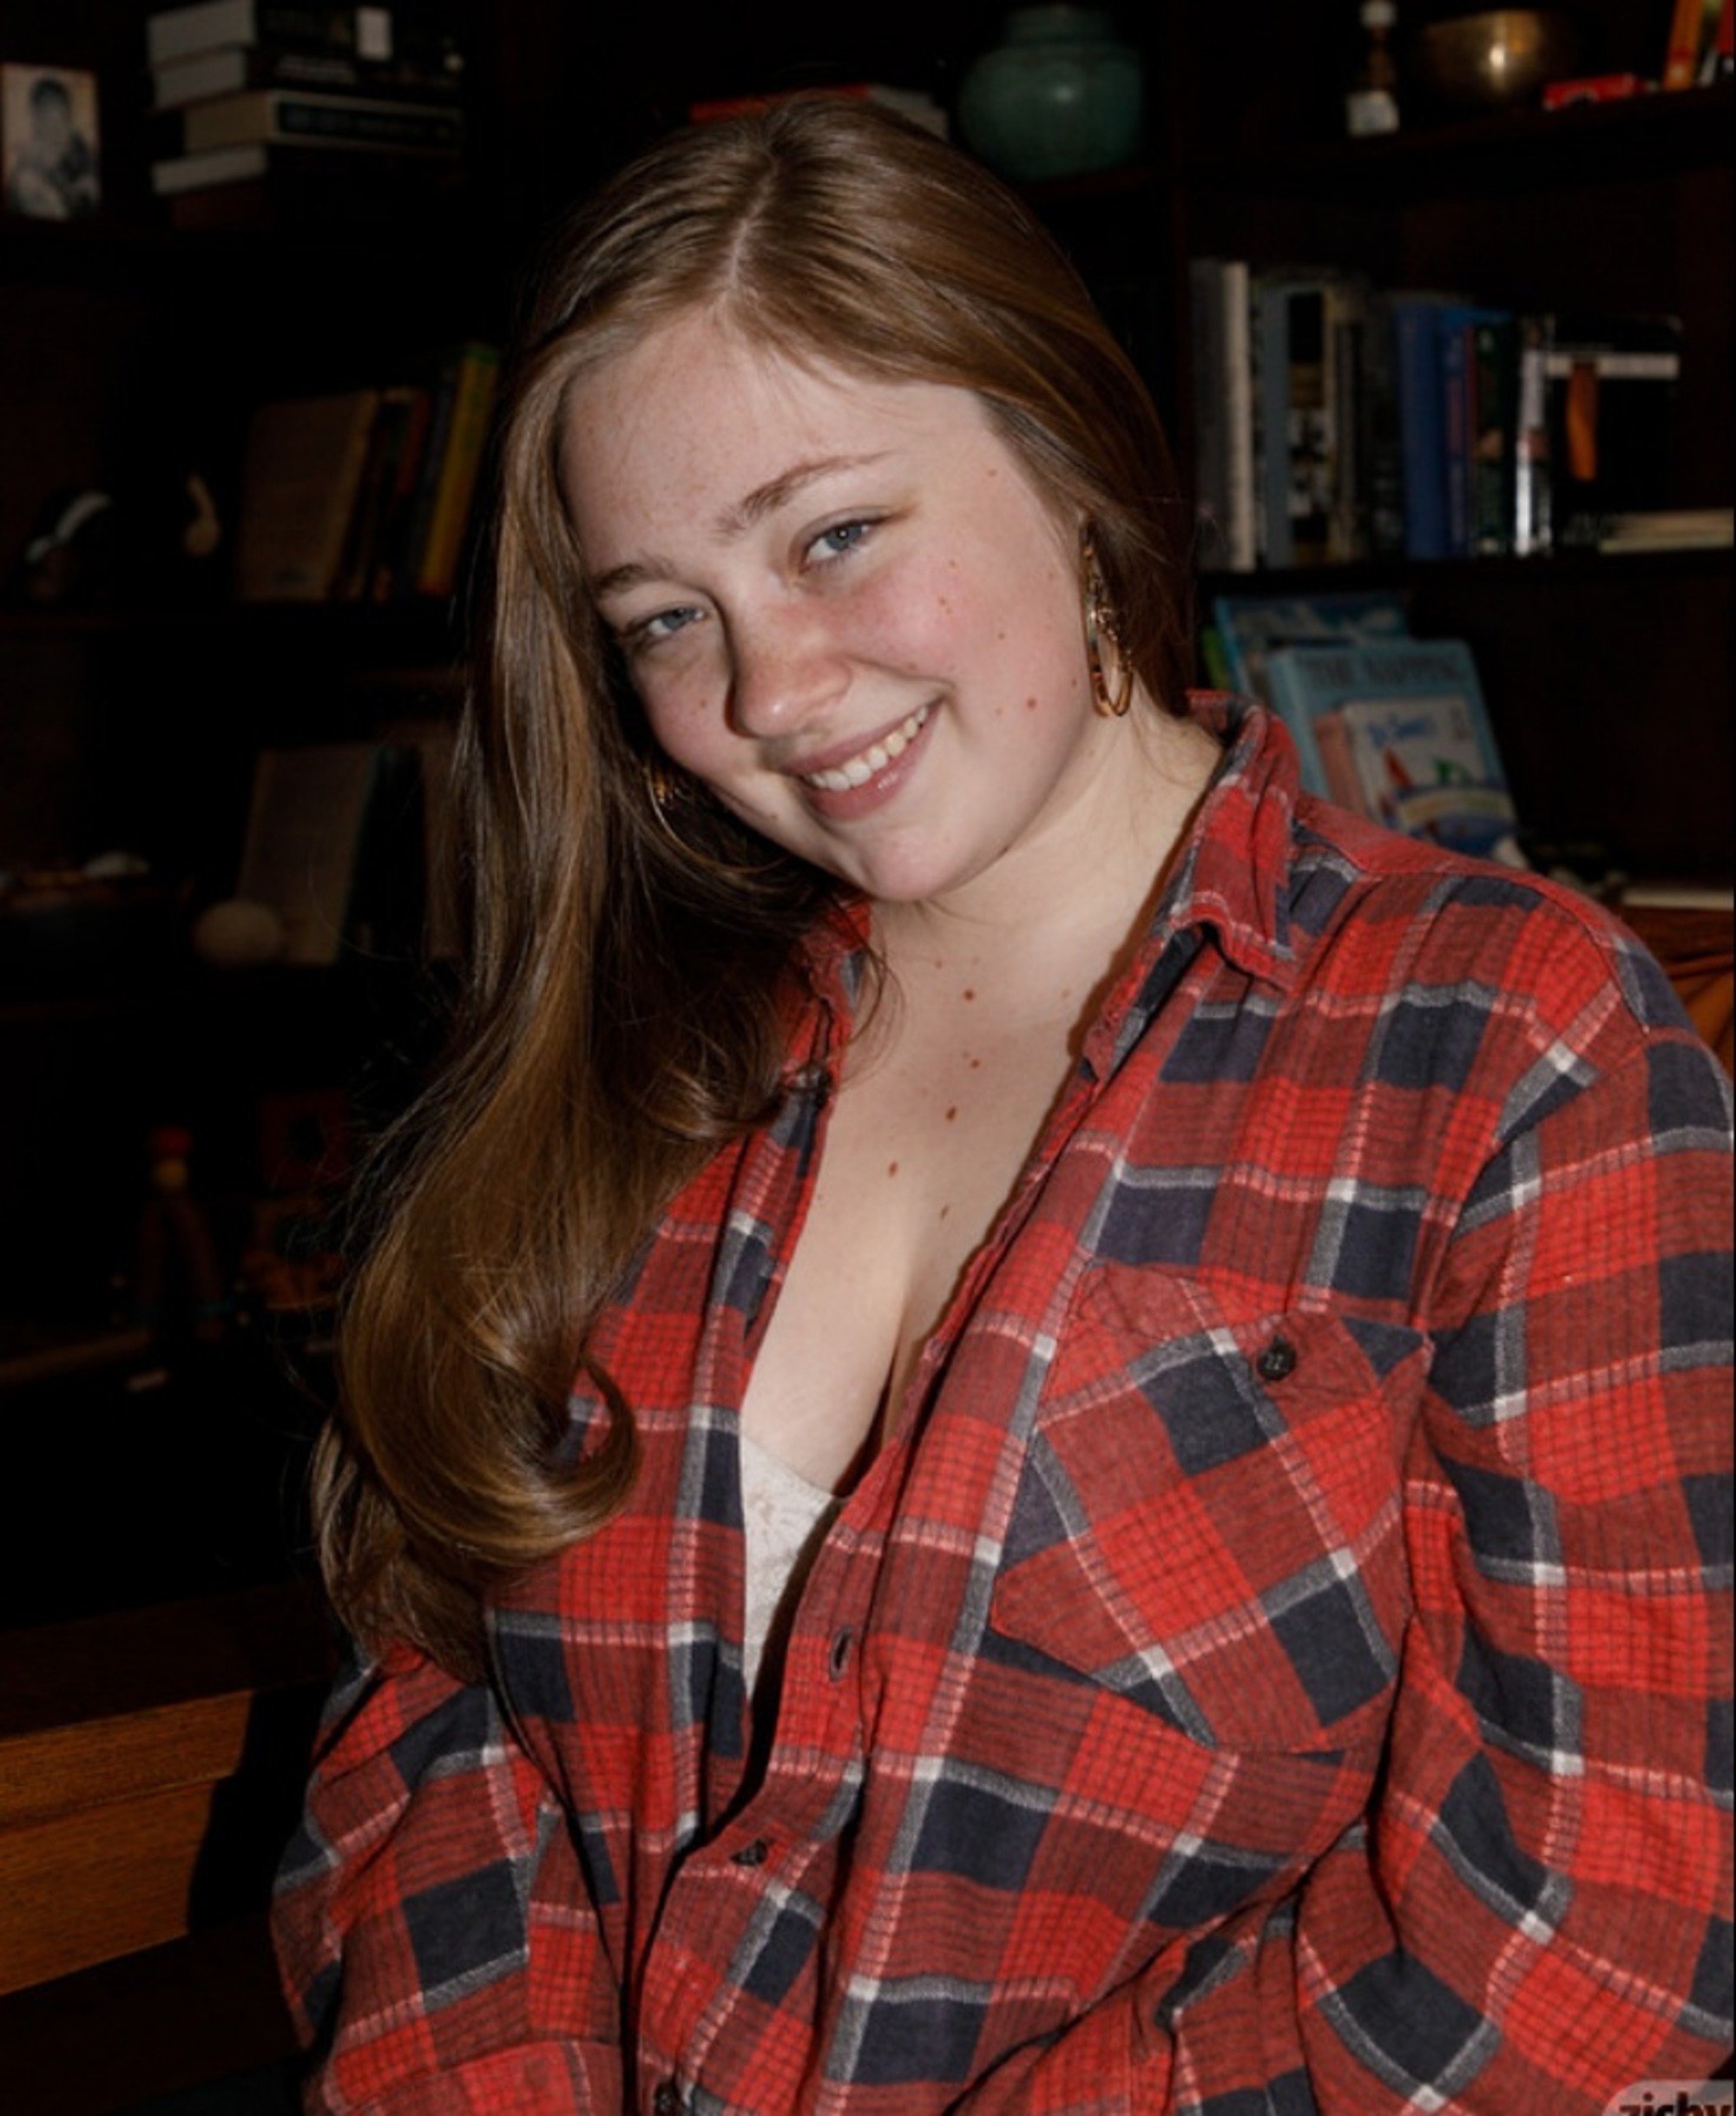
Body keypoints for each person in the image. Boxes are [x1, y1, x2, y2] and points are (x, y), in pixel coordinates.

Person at [272, 97, 1733, 2113]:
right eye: (665, 618)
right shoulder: (625, 1060)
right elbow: (435, 1733)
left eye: (832, 534)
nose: (768, 691)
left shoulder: (1506, 1044)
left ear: (1063, 450)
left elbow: (1594, 1945)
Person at [3, 71, 98, 219]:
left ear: (68, 118)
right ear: (35, 120)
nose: (53, 128)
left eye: (59, 115)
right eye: (46, 117)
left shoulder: (87, 159)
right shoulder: (23, 176)